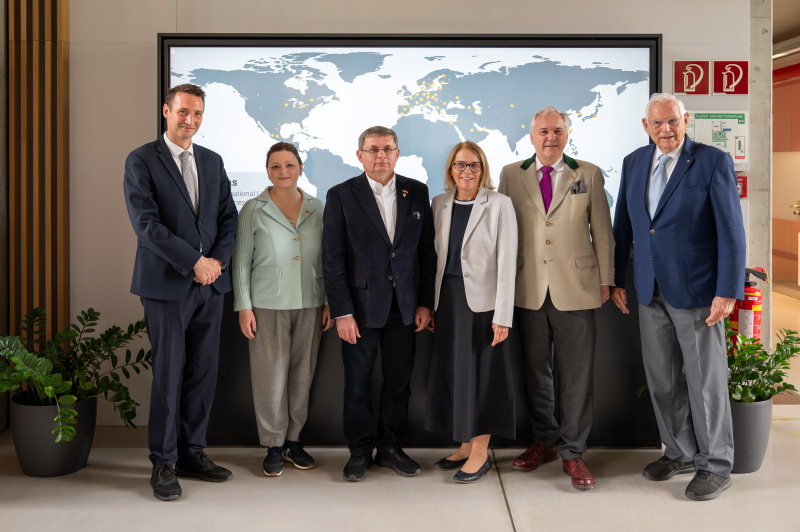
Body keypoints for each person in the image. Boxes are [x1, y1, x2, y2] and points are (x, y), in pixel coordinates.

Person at [611, 93, 745, 501]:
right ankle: (680, 452)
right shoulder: (634, 162)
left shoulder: (711, 161)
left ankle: (716, 465)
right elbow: (625, 227)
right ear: (645, 125)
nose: (665, 130)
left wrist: (727, 291)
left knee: (705, 383)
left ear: (686, 119)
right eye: (657, 123)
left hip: (699, 291)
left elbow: (731, 231)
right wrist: (618, 278)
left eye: (672, 121)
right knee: (663, 381)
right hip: (650, 288)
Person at [123, 83, 238, 501]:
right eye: (183, 111)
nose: (190, 119)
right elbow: (147, 226)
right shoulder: (141, 160)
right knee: (169, 374)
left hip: (211, 284)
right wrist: (195, 262)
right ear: (167, 111)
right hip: (167, 285)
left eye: (198, 113)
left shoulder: (212, 161)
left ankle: (192, 453)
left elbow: (228, 218)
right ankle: (163, 462)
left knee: (203, 374)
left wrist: (217, 264)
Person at [498, 106, 614, 490]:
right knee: (536, 373)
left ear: (568, 134)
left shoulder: (589, 174)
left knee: (577, 376)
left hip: (578, 288)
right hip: (526, 288)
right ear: (531, 136)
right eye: (544, 131)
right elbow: (501, 229)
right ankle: (544, 441)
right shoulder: (511, 174)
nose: (551, 137)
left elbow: (603, 231)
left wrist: (607, 281)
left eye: (558, 131)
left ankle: (574, 451)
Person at [322, 126, 436, 482]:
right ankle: (359, 452)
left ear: (398, 153)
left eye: (388, 149)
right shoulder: (341, 195)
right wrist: (342, 311)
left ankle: (390, 448)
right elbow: (332, 258)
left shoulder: (416, 192)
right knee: (357, 384)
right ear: (360, 155)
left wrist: (424, 303)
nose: (381, 155)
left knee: (398, 383)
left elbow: (425, 253)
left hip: (404, 308)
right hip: (358, 310)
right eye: (373, 149)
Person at [232, 142, 334, 477]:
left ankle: (293, 441)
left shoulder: (317, 207)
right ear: (267, 171)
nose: (283, 172)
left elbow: (327, 258)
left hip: (310, 300)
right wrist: (243, 306)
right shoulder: (254, 209)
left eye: (289, 165)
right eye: (275, 166)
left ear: (300, 168)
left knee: (301, 376)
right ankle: (273, 444)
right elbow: (241, 261)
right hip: (267, 304)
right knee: (270, 377)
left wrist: (329, 301)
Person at [425, 141, 518, 483]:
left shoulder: (499, 204)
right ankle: (465, 444)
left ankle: (480, 452)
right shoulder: (440, 203)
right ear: (451, 168)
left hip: (484, 304)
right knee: (457, 373)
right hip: (447, 299)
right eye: (460, 165)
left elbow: (508, 265)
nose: (467, 172)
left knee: (482, 375)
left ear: (483, 169)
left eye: (474, 166)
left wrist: (503, 316)